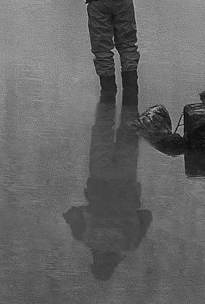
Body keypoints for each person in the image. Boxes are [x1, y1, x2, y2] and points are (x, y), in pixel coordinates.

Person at [63, 99, 153, 280]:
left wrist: (127, 214)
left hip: (126, 178)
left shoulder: (129, 244)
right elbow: (71, 213)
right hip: (100, 176)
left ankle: (130, 87)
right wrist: (90, 211)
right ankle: (108, 90)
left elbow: (146, 216)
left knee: (129, 129)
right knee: (103, 126)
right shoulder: (86, 238)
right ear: (94, 261)